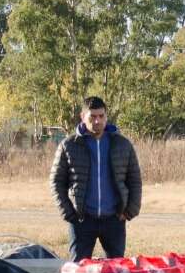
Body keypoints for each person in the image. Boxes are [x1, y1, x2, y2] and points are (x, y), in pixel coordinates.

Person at [50, 96, 142, 261]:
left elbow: (134, 180)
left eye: (101, 116)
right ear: (82, 116)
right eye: (92, 116)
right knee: (79, 271)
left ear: (106, 116)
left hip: (114, 219)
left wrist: (129, 211)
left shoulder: (122, 144)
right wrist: (69, 213)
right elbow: (56, 182)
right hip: (82, 221)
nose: (97, 121)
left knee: (116, 272)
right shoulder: (68, 145)